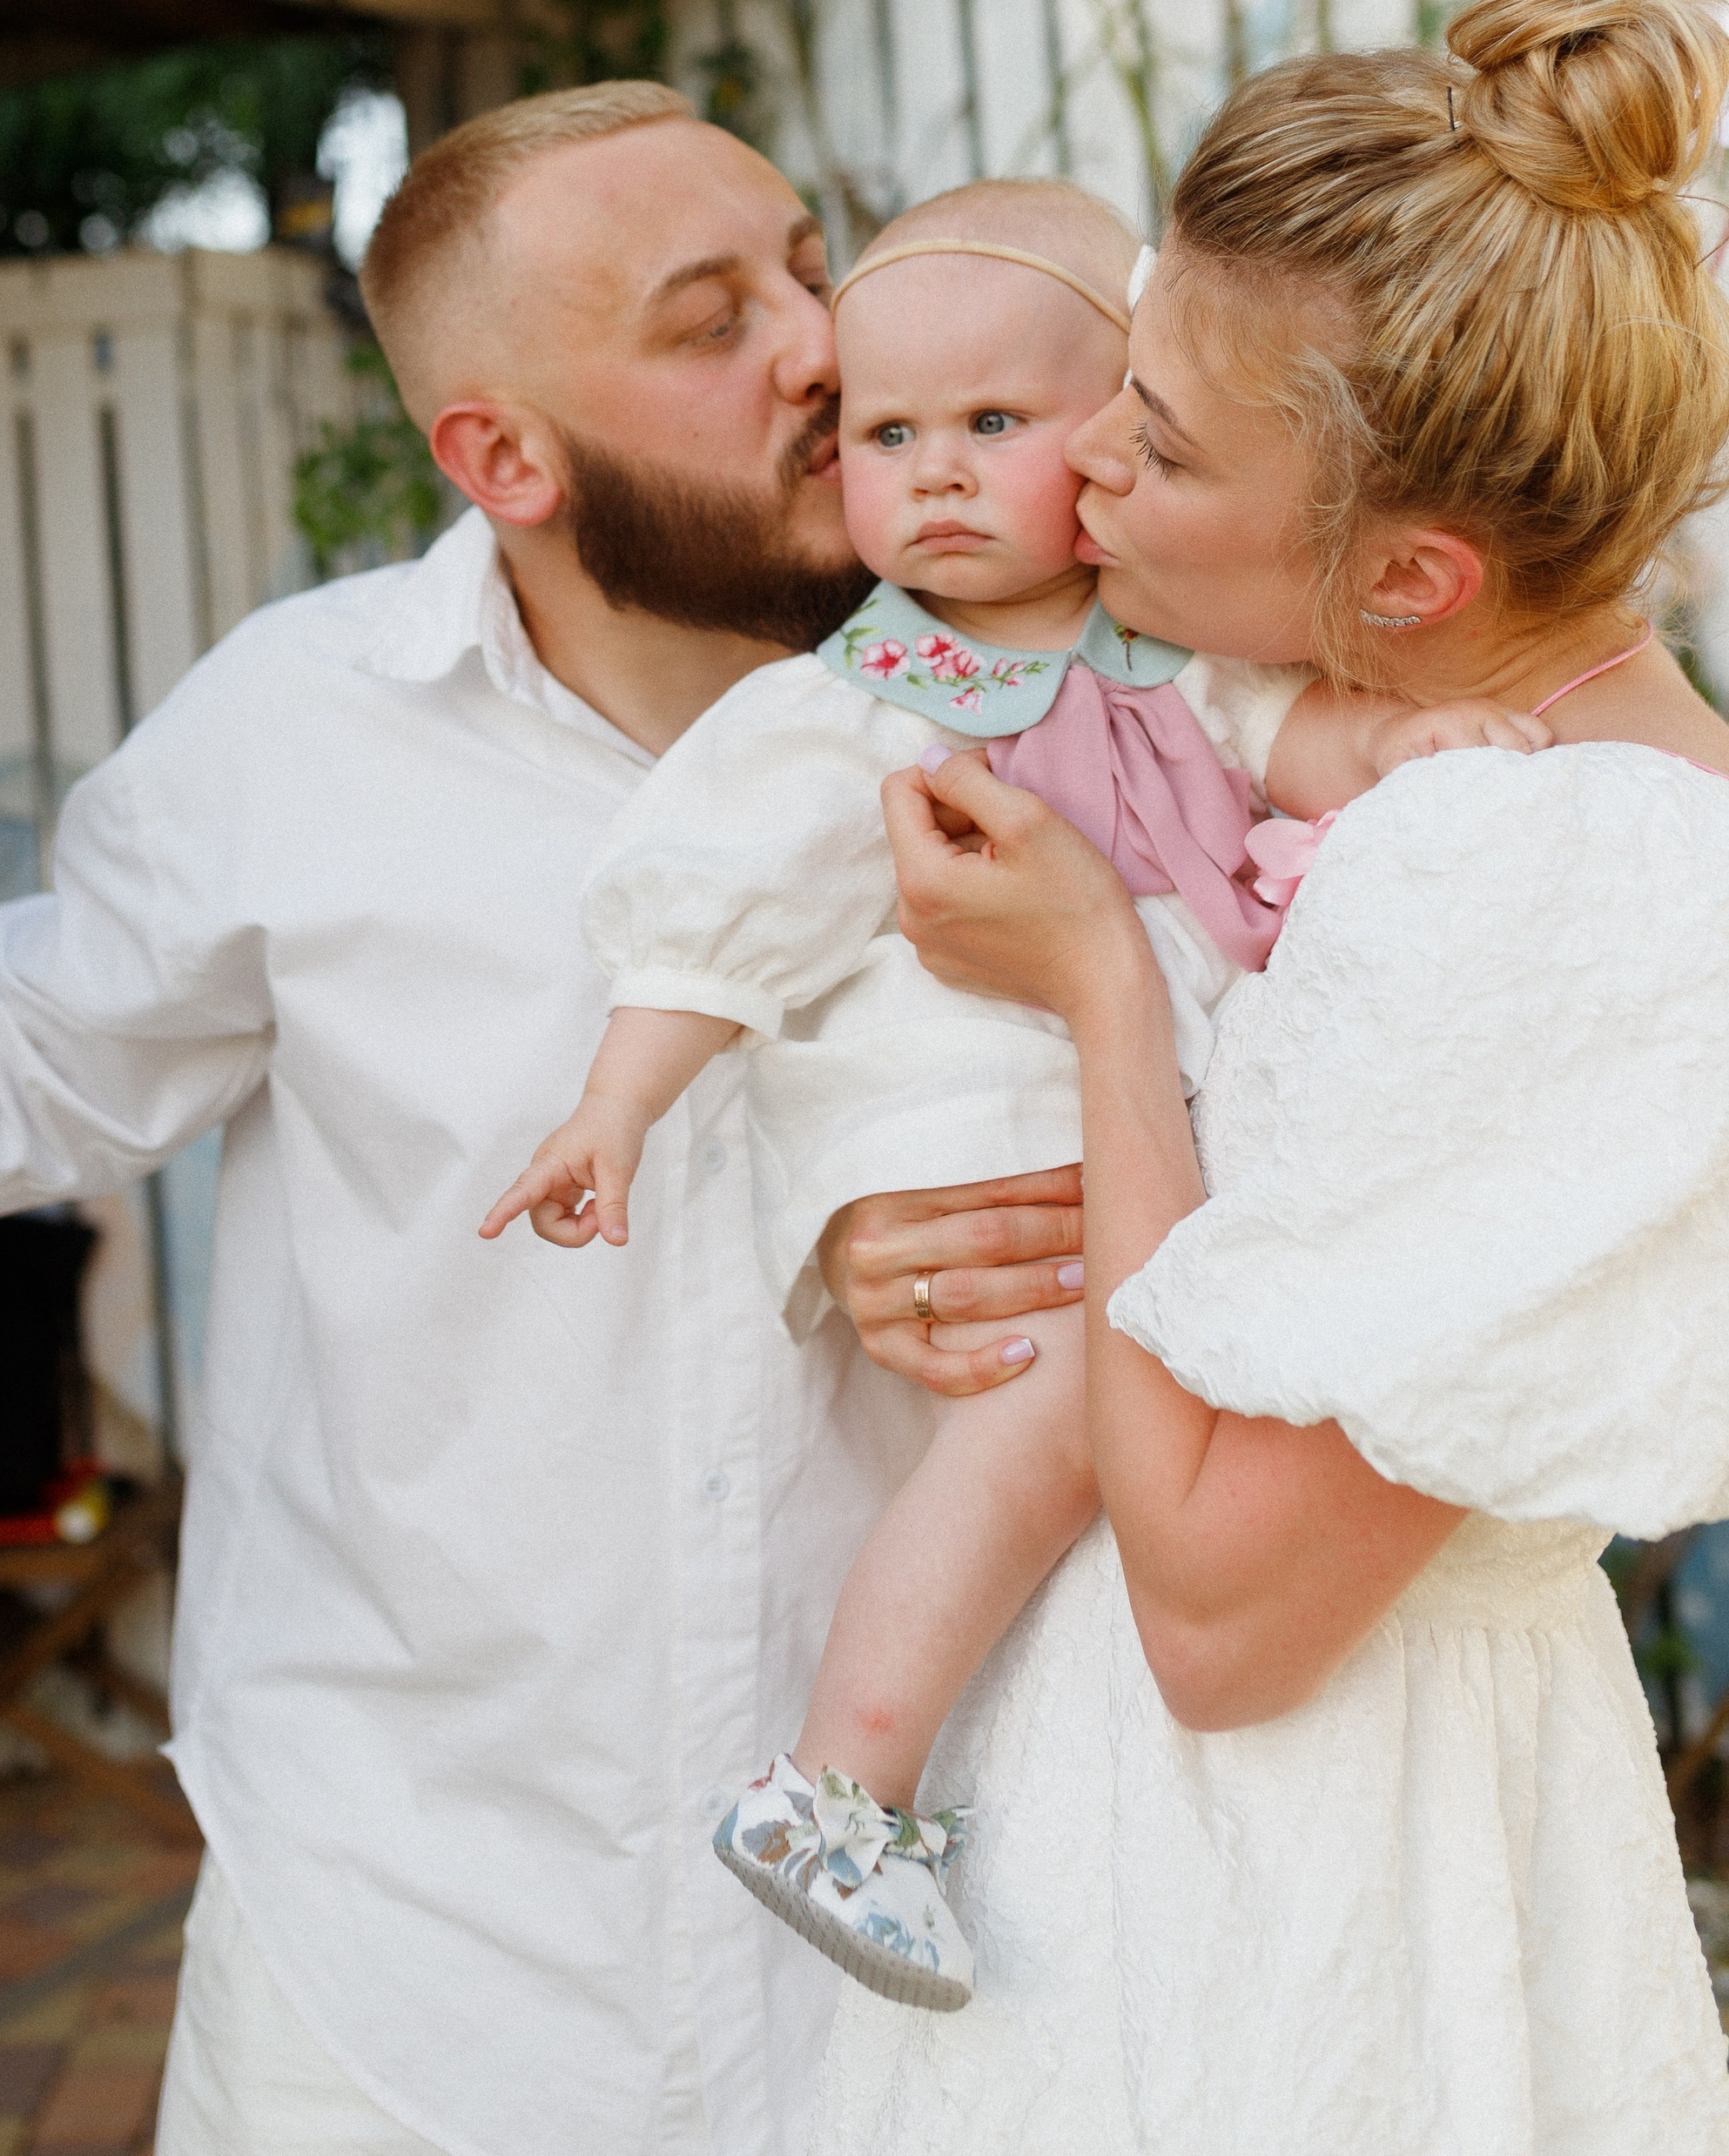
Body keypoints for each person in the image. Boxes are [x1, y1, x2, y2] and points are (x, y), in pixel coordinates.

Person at [0, 77, 1083, 2156]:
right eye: (714, 319)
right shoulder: (302, 727)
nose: (820, 345)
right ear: (500, 457)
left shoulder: (1082, 714)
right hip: (402, 1944)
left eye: (811, 268)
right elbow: (14, 1047)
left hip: (944, 1924)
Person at [814, 0, 1729, 2154]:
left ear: (1405, 574)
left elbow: (1223, 1616)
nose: (1081, 465)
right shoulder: (1483, 780)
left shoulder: (1534, 868)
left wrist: (1095, 993)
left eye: (1160, 442)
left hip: (1294, 1873)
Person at [482, 175, 1530, 2015]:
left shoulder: (1176, 649)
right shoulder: (861, 696)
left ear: (1114, 436)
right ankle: (834, 1789)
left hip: (1147, 1122)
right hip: (991, 1121)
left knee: (1115, 1444)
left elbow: (1289, 738)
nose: (939, 476)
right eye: (889, 436)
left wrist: (1401, 739)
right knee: (1050, 1431)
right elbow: (713, 921)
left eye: (991, 423)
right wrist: (615, 1106)